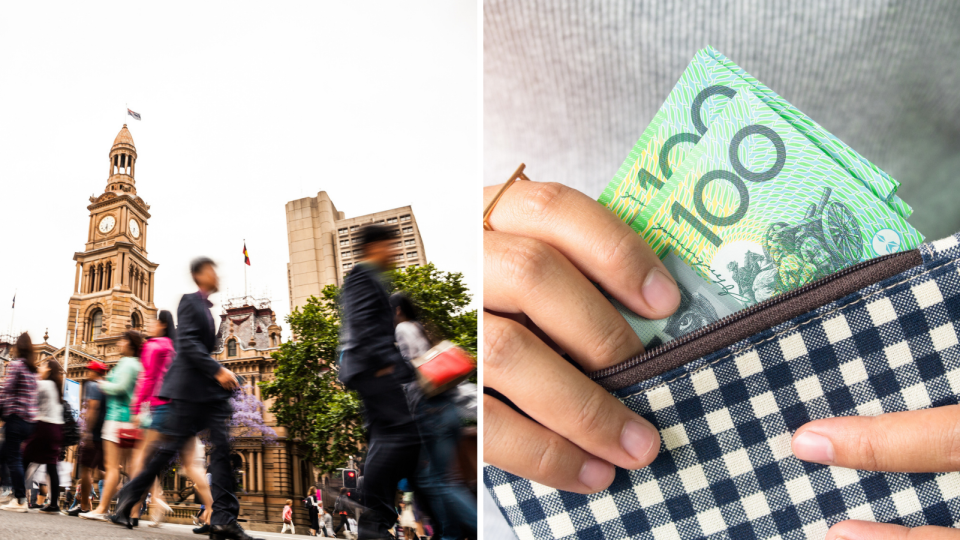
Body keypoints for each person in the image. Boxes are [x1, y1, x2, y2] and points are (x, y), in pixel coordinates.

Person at [109, 257, 260, 540]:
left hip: (206, 395)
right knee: (166, 454)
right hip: (188, 394)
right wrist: (218, 370)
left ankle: (224, 519)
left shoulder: (207, 309)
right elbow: (188, 344)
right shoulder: (190, 302)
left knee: (221, 450)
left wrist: (221, 374)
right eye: (212, 271)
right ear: (200, 275)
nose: (217, 276)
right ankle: (127, 499)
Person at [338, 224, 422, 539]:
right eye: (391, 246)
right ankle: (374, 523)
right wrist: (385, 365)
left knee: (386, 439)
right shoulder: (362, 276)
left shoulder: (370, 277)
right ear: (375, 247)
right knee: (403, 436)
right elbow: (362, 324)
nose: (396, 253)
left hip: (371, 368)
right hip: (373, 369)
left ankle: (374, 524)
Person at [390, 292, 478, 539]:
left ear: (397, 310)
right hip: (448, 410)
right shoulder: (423, 328)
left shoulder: (404, 329)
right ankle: (449, 534)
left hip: (430, 411)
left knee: (436, 481)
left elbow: (410, 371)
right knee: (443, 479)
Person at [79, 331, 143, 521]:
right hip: (128, 418)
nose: (120, 343)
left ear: (130, 344)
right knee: (129, 469)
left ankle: (103, 509)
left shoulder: (127, 363)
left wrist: (102, 384)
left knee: (112, 468)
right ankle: (129, 511)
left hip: (117, 418)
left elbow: (120, 387)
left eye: (123, 340)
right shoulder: (138, 364)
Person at [128, 309, 177, 526]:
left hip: (154, 406)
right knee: (154, 460)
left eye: (153, 322)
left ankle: (132, 509)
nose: (149, 325)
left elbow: (147, 380)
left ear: (162, 324)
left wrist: (138, 409)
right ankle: (157, 501)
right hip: (173, 408)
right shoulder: (173, 347)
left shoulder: (153, 345)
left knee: (140, 460)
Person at [0, 332, 39, 512]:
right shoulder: (34, 370)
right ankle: (12, 492)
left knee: (14, 459)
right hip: (29, 423)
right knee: (4, 453)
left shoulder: (16, 365)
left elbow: (7, 389)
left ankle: (20, 499)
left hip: (15, 418)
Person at [21, 357, 66, 514]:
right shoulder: (55, 387)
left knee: (24, 458)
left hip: (43, 427)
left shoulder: (45, 384)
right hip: (56, 429)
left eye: (42, 366)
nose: (40, 368)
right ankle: (54, 504)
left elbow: (27, 390)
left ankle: (18, 497)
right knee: (51, 466)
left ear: (48, 369)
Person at [66, 360, 108, 517]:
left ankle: (84, 506)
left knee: (85, 469)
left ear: (95, 372)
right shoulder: (107, 386)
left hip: (95, 433)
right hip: (106, 433)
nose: (87, 373)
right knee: (106, 471)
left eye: (89, 370)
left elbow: (93, 408)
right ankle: (106, 506)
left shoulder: (92, 385)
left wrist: (88, 432)